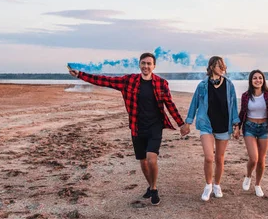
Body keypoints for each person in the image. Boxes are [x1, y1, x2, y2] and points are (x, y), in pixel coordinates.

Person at [68, 52, 188, 206]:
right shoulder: (129, 81)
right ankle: (150, 187)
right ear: (139, 64)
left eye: (149, 64)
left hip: (155, 127)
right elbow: (104, 80)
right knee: (143, 162)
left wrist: (181, 124)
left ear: (154, 66)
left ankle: (154, 187)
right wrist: (80, 75)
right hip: (137, 127)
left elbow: (169, 105)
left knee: (152, 159)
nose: (146, 66)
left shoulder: (161, 83)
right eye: (143, 63)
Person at [182, 56, 240, 201]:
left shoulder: (229, 85)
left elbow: (233, 106)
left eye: (223, 66)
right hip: (207, 125)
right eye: (219, 65)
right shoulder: (202, 85)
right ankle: (208, 185)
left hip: (224, 126)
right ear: (212, 67)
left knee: (219, 159)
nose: (222, 68)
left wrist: (236, 124)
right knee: (209, 158)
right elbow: (194, 103)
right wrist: (188, 122)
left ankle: (217, 185)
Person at [238, 70, 268, 197]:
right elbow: (242, 113)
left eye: (260, 78)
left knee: (261, 160)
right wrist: (237, 128)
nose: (258, 80)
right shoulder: (246, 95)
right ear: (251, 81)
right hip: (249, 127)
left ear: (263, 80)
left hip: (264, 128)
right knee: (254, 158)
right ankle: (248, 176)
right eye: (255, 78)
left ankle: (257, 185)